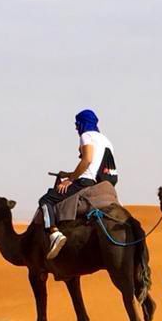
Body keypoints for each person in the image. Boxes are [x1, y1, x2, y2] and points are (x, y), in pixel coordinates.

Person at [38, 110, 117, 260]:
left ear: (83, 123)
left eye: (77, 123)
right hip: (102, 183)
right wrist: (69, 174)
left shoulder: (86, 136)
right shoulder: (105, 140)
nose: (76, 127)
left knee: (46, 200)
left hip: (85, 182)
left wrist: (71, 180)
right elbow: (95, 165)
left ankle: (54, 233)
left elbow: (87, 160)